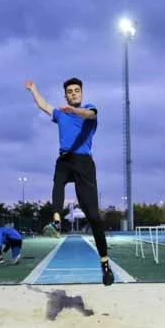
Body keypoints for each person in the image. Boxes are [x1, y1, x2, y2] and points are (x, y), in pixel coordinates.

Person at [26, 77, 114, 286]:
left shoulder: (88, 110)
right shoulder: (59, 113)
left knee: (93, 216)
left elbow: (90, 114)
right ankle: (56, 219)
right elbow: (43, 105)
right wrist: (33, 89)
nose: (73, 93)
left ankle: (105, 263)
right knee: (58, 180)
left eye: (77, 91)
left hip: (84, 163)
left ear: (81, 93)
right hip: (65, 159)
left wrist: (74, 111)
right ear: (65, 95)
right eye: (70, 91)